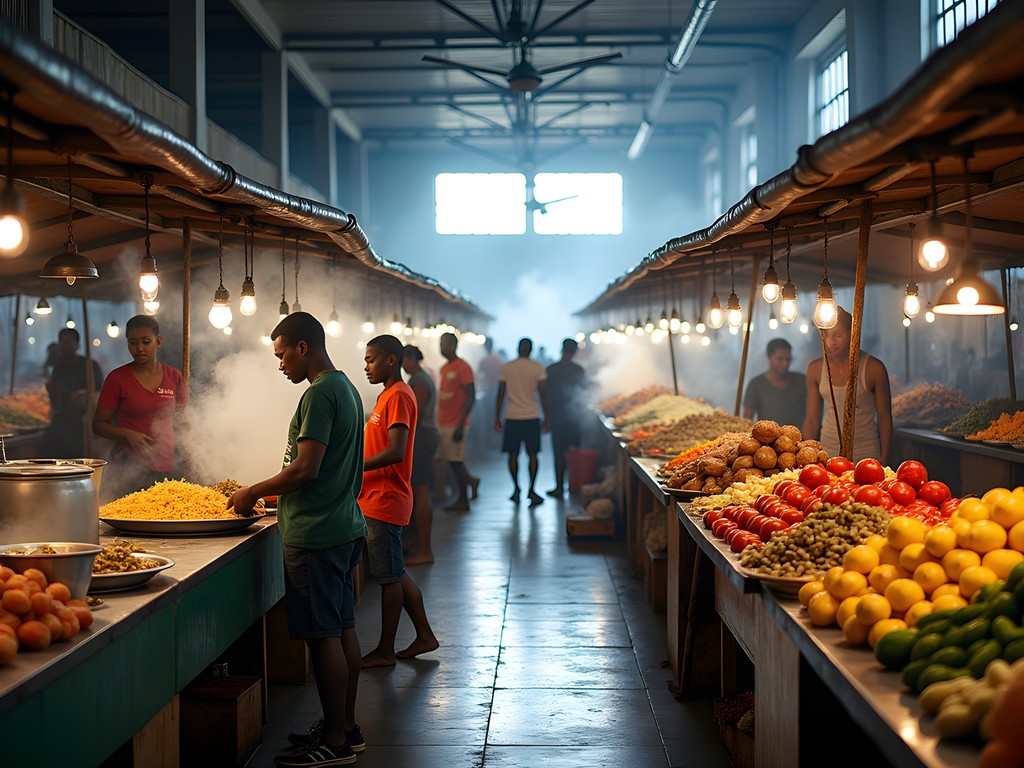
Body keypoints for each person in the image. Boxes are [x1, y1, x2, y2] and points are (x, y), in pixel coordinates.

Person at [226, 312, 366, 766]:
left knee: (323, 637)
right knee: (342, 629)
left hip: (317, 535)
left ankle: (337, 745)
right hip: (343, 526)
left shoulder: (321, 394)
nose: (280, 364)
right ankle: (343, 727)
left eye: (282, 353)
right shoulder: (345, 387)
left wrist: (254, 491)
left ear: (303, 347)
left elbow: (307, 468)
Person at [359, 335, 438, 669]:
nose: (366, 366)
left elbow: (396, 450)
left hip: (387, 497)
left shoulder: (401, 396)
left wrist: (353, 464)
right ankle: (424, 635)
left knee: (389, 579)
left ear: (392, 360)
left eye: (371, 359)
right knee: (396, 573)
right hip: (375, 497)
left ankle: (385, 650)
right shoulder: (386, 395)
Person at [92, 315, 186, 500]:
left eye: (146, 341)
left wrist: (193, 457)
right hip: (128, 462)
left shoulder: (174, 377)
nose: (139, 348)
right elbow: (98, 425)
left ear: (158, 341)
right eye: (133, 343)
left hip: (166, 462)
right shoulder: (117, 378)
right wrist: (127, 434)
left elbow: (183, 423)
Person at [803, 307, 893, 465]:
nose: (831, 342)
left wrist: (885, 458)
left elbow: (885, 417)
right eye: (826, 335)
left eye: (837, 335)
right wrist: (804, 456)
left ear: (852, 334)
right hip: (827, 454)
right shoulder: (815, 369)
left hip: (866, 455)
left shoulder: (874, 368)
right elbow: (812, 419)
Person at [494, 337, 549, 506]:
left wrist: (496, 417)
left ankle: (516, 489)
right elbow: (543, 394)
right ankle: (532, 490)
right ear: (531, 350)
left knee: (512, 454)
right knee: (533, 454)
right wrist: (548, 417)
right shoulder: (538, 368)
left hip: (512, 416)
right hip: (532, 416)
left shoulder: (507, 368)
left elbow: (501, 394)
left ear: (518, 349)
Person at [401, 344, 440, 565]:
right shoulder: (420, 378)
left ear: (411, 358)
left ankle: (425, 550)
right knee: (418, 490)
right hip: (425, 436)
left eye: (403, 360)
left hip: (422, 436)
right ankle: (416, 542)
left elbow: (413, 411)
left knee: (420, 491)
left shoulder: (419, 381)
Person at [43, 328, 103, 458]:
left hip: (83, 423)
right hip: (61, 422)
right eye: (62, 342)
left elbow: (100, 391)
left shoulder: (89, 366)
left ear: (77, 345)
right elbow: (54, 397)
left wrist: (84, 393)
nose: (64, 345)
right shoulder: (58, 369)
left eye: (68, 342)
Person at [437, 332, 479, 511]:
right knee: (450, 460)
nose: (441, 347)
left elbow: (471, 396)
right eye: (440, 344)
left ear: (453, 345)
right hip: (443, 421)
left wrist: (461, 424)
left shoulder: (463, 367)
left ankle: (463, 499)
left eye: (445, 344)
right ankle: (471, 481)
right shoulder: (444, 368)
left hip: (456, 423)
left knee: (455, 461)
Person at [545, 338, 588, 497]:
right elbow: (585, 392)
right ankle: (573, 484)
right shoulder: (578, 370)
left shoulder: (551, 370)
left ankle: (559, 487)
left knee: (558, 453)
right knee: (573, 452)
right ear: (575, 351)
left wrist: (547, 417)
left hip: (556, 417)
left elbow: (545, 396)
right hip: (574, 417)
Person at [742, 338, 807, 427]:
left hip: (800, 439)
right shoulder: (756, 384)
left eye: (788, 359)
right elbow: (747, 421)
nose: (785, 364)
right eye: (780, 359)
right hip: (768, 439)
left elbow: (813, 415)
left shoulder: (802, 381)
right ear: (769, 357)